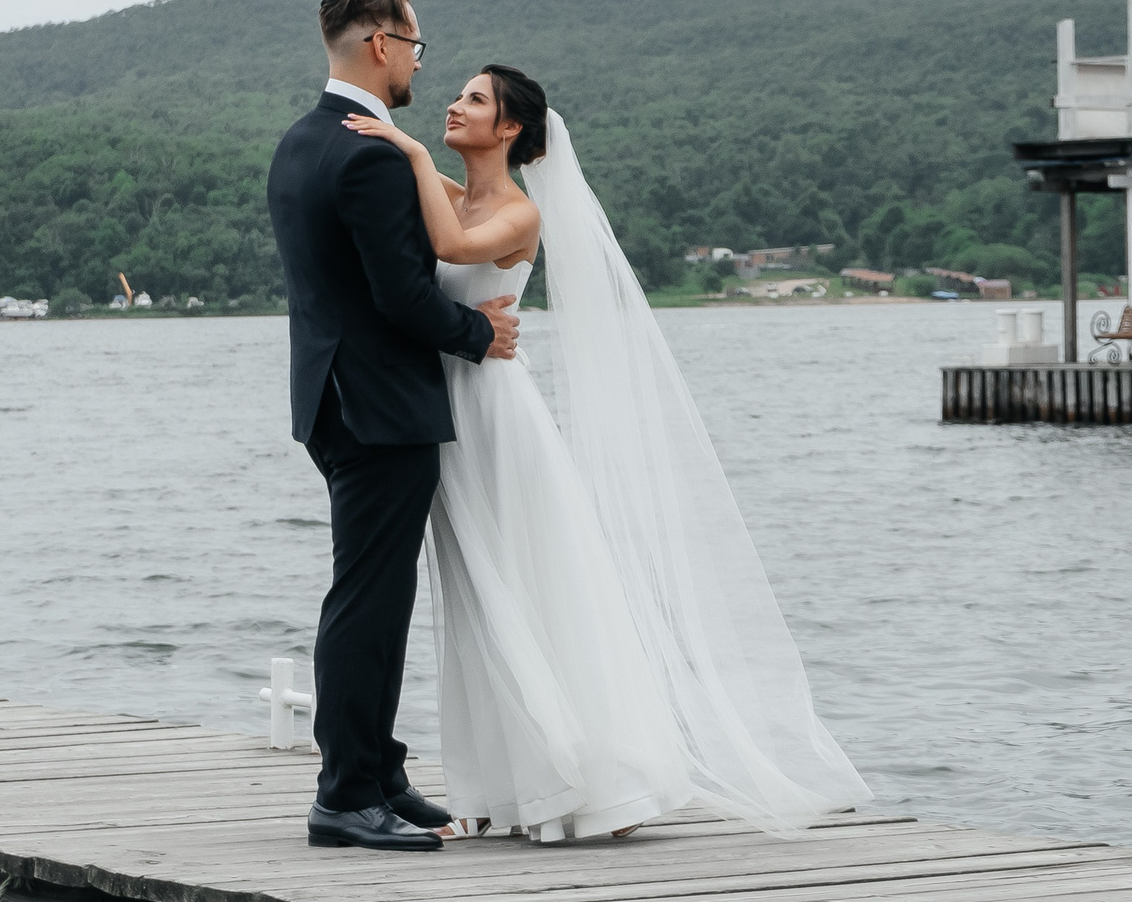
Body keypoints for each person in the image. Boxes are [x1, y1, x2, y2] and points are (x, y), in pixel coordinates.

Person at [340, 64, 869, 840]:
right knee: (477, 593)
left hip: (495, 416)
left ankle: (587, 774)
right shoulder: (461, 195)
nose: (454, 104)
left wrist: (412, 152)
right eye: (456, 93)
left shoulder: (517, 212)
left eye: (475, 99)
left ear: (511, 128)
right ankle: (505, 783)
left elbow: (451, 245)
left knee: (523, 579)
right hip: (445, 411)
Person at [267, 0, 520, 853]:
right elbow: (402, 298)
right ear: (382, 45)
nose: (419, 65)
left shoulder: (301, 140)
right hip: (379, 403)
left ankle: (378, 771)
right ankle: (343, 793)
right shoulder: (371, 152)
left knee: (380, 591)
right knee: (367, 600)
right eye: (416, 47)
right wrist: (478, 334)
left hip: (333, 398)